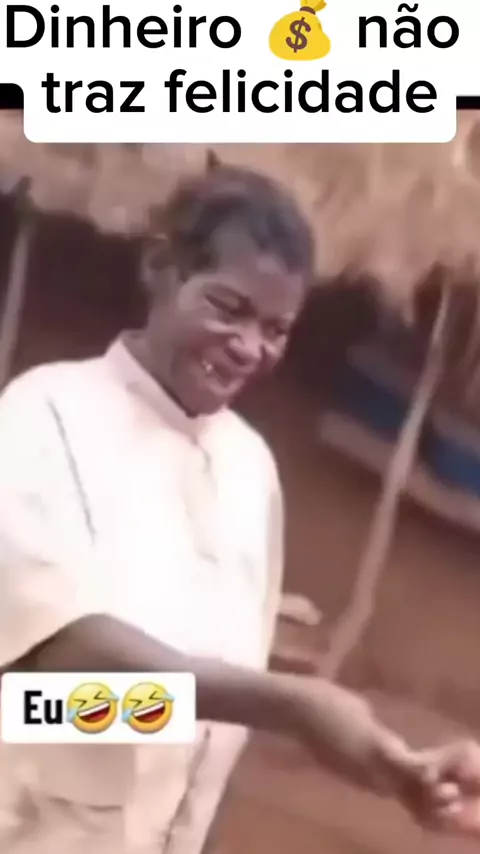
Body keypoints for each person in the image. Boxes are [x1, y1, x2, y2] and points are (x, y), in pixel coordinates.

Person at [0, 153, 478, 852]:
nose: (249, 347)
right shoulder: (44, 417)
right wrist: (291, 706)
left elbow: (204, 727)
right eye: (228, 308)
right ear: (161, 268)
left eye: (276, 329)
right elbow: (41, 692)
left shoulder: (249, 471)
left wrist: (382, 759)